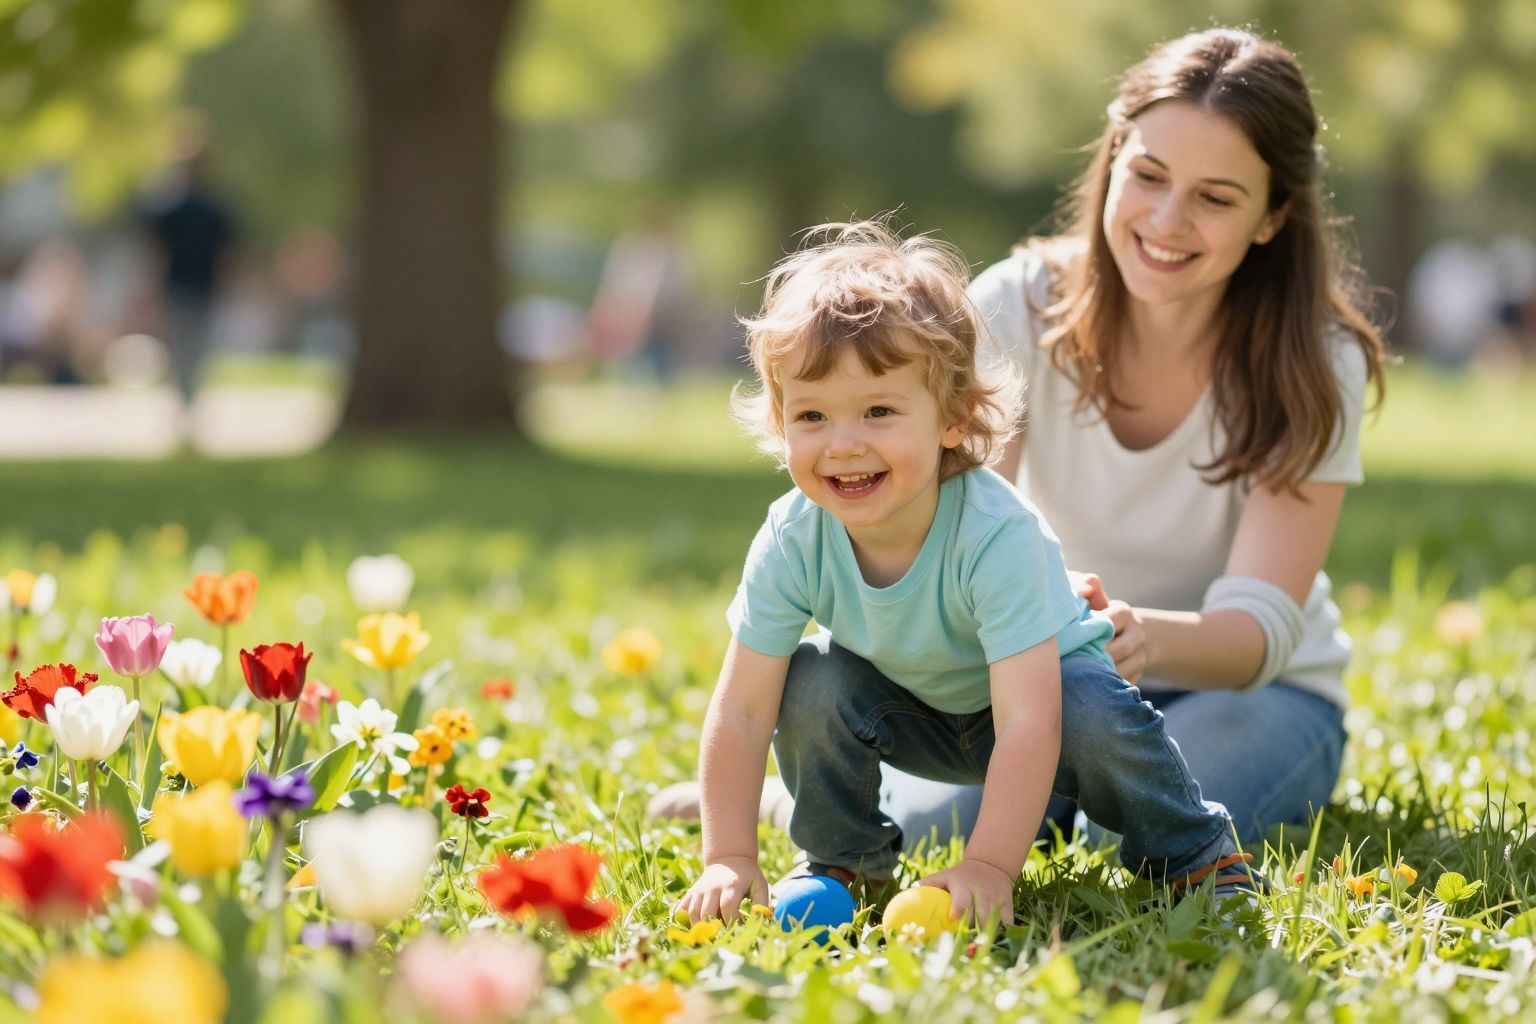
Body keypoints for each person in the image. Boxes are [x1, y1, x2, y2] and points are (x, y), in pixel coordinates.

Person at [880, 27, 1391, 850]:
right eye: (1148, 176)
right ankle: (799, 798)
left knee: (1129, 839)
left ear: (1272, 218)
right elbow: (956, 537)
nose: (1166, 220)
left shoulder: (1317, 359)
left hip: (1252, 693)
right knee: (935, 830)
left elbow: (1257, 631)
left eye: (1216, 198)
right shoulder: (1014, 305)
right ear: (1114, 159)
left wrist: (1133, 636)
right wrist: (1049, 654)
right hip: (1042, 675)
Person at [674, 221, 1258, 928]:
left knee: (1095, 706)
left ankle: (1195, 852)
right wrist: (729, 854)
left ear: (952, 418)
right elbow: (740, 711)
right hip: (915, 712)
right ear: (781, 420)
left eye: (880, 410)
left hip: (1044, 714)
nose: (844, 443)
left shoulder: (993, 531)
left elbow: (1030, 720)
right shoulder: (795, 535)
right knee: (809, 680)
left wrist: (988, 865)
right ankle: (843, 862)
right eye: (812, 415)